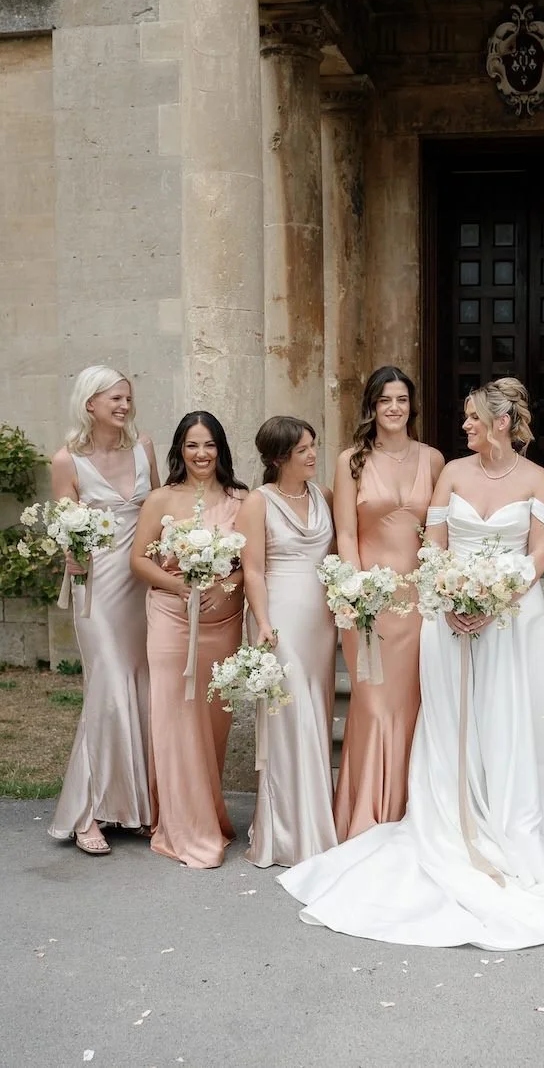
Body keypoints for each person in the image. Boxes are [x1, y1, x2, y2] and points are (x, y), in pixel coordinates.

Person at [277, 378, 544, 950]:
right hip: (446, 619)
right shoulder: (453, 473)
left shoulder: (536, 479)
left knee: (505, 720)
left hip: (512, 622)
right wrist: (450, 596)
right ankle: (447, 814)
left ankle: (505, 824)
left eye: (472, 418)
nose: (464, 425)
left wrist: (497, 597)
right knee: (448, 722)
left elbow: (542, 553)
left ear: (500, 423)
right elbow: (436, 543)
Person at [48, 366, 160, 855]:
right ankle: (86, 812)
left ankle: (134, 807)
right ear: (89, 402)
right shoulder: (66, 460)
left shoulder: (144, 448)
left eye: (128, 398)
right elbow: (65, 527)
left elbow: (159, 509)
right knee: (108, 689)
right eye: (115, 398)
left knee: (141, 688)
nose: (124, 405)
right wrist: (69, 552)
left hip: (142, 585)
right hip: (96, 588)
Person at [331, 366, 444, 841]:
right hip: (370, 602)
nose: (394, 408)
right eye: (384, 400)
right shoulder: (351, 461)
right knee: (374, 706)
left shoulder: (433, 459)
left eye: (401, 399)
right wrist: (356, 591)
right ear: (372, 407)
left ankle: (405, 813)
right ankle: (366, 815)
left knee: (411, 707)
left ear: (411, 406)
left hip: (419, 603)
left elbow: (438, 531)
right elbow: (346, 532)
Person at [131, 411, 247, 869]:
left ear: (221, 449)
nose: (201, 454)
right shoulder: (160, 499)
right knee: (175, 716)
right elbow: (139, 560)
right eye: (193, 445)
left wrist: (227, 586)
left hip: (223, 621)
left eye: (210, 445)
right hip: (170, 617)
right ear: (180, 449)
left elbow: (250, 564)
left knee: (213, 721)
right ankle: (184, 825)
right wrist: (179, 586)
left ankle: (207, 813)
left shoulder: (241, 500)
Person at [237, 416, 338, 868]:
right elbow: (253, 570)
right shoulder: (258, 502)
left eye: (313, 446)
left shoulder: (324, 496)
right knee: (289, 715)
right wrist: (262, 622)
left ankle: (317, 822)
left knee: (316, 710)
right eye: (303, 450)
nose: (313, 454)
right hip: (278, 618)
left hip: (320, 620)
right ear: (279, 458)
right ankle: (287, 832)